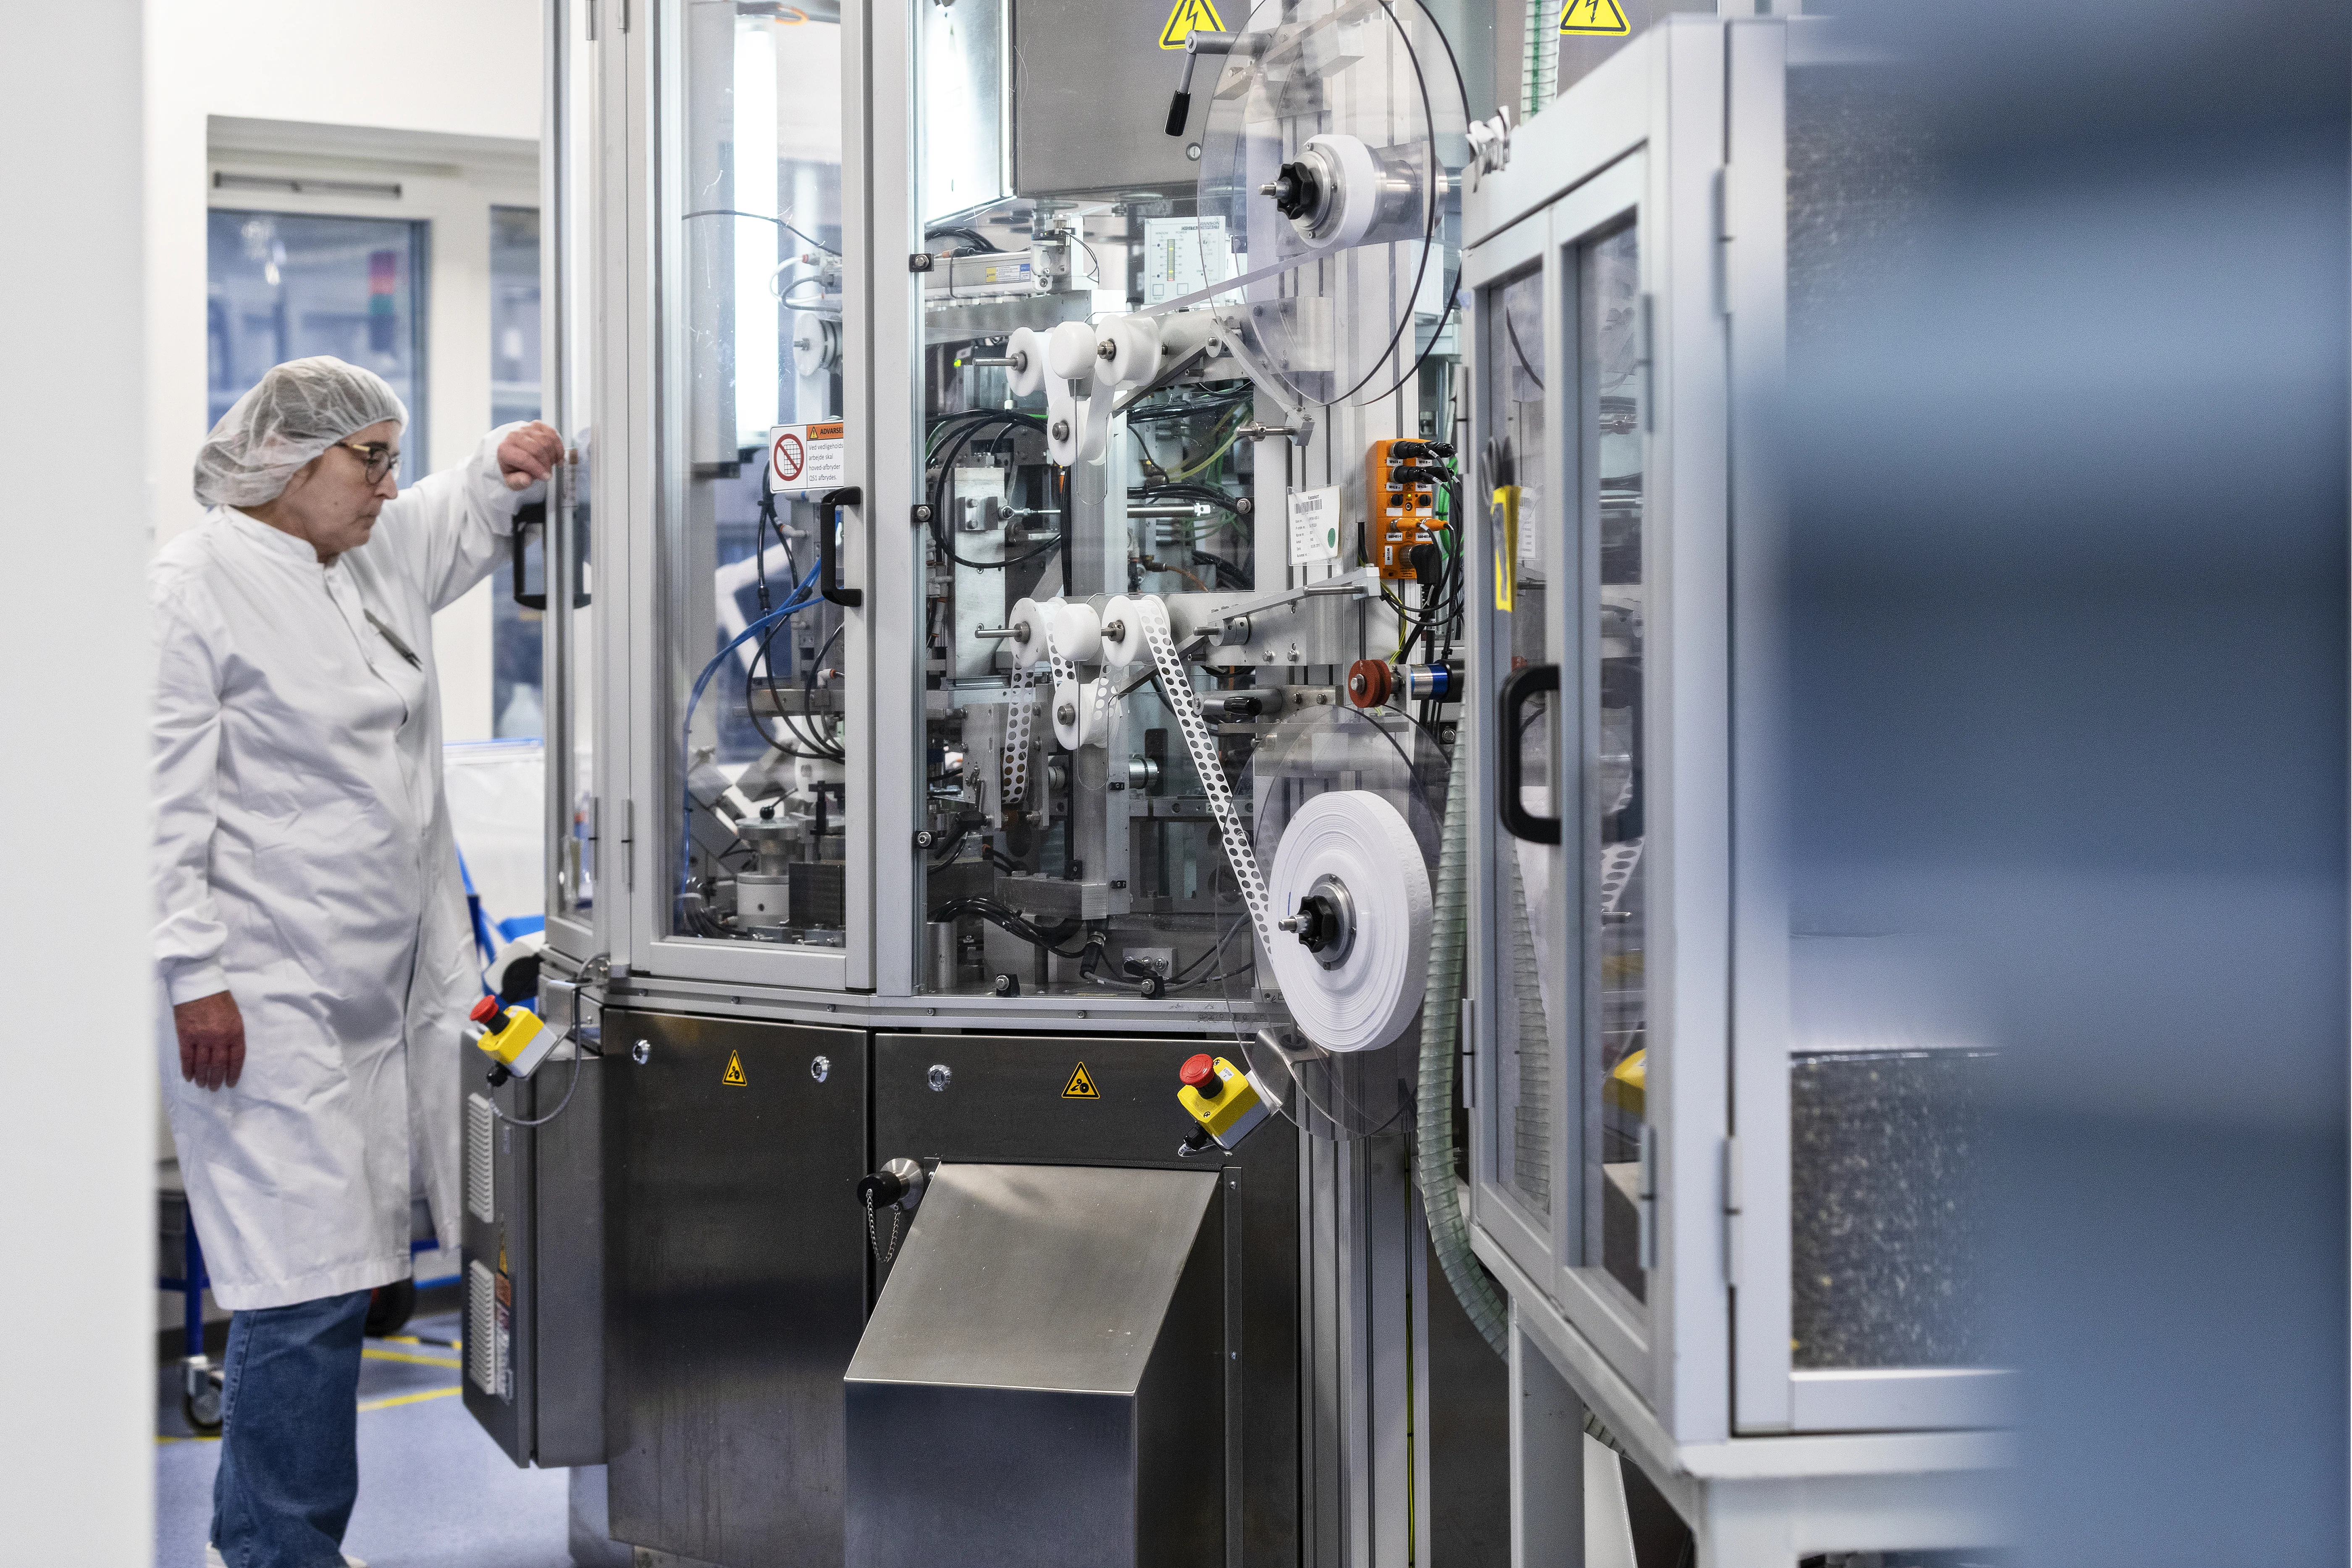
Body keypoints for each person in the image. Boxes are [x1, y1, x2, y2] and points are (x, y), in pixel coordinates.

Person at [152, 356, 563, 1568]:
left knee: (351, 1275)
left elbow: (444, 515)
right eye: (368, 460)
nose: (388, 483)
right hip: (266, 994)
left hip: (388, 992)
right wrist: (193, 975)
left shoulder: (362, 554)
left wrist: (500, 467)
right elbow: (160, 807)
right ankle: (278, 1548)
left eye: (393, 458)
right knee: (305, 1287)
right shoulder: (193, 590)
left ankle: (266, 1537)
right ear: (291, 465)